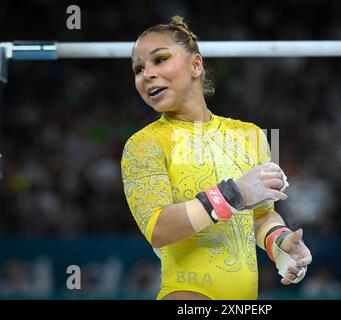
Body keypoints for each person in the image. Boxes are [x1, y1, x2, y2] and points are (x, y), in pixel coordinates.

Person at [121, 15, 312, 300]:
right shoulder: (144, 144)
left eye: (160, 60)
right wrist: (234, 193)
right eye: (138, 69)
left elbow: (259, 216)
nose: (146, 73)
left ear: (196, 65)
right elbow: (159, 229)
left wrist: (281, 242)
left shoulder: (250, 135)